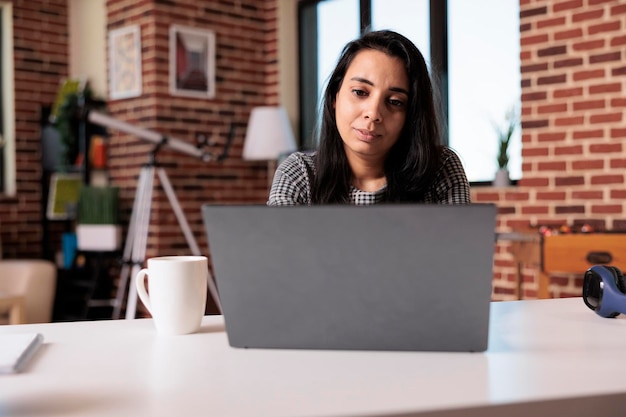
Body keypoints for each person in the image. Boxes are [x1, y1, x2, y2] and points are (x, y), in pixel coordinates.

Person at [268, 30, 470, 206]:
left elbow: (462, 249)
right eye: (360, 92)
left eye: (395, 101)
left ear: (411, 115)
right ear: (334, 97)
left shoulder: (440, 169)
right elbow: (278, 250)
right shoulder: (299, 174)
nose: (373, 114)